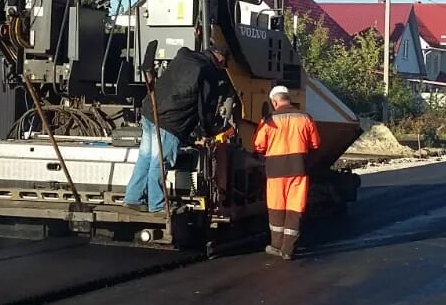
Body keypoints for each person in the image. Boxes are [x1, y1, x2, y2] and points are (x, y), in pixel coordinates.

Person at [124, 44, 230, 213]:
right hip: (171, 121)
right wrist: (208, 132)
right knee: (160, 162)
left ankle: (133, 197)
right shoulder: (208, 72)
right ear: (221, 59)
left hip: (150, 111)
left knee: (145, 158)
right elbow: (206, 108)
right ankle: (158, 205)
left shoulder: (184, 56)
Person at [253, 85, 320, 259]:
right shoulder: (305, 117)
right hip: (298, 169)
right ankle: (288, 250)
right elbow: (315, 144)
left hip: (275, 171)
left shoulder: (268, 120)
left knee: (276, 208)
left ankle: (276, 245)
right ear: (288, 99)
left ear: (275, 101)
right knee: (294, 209)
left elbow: (259, 146)